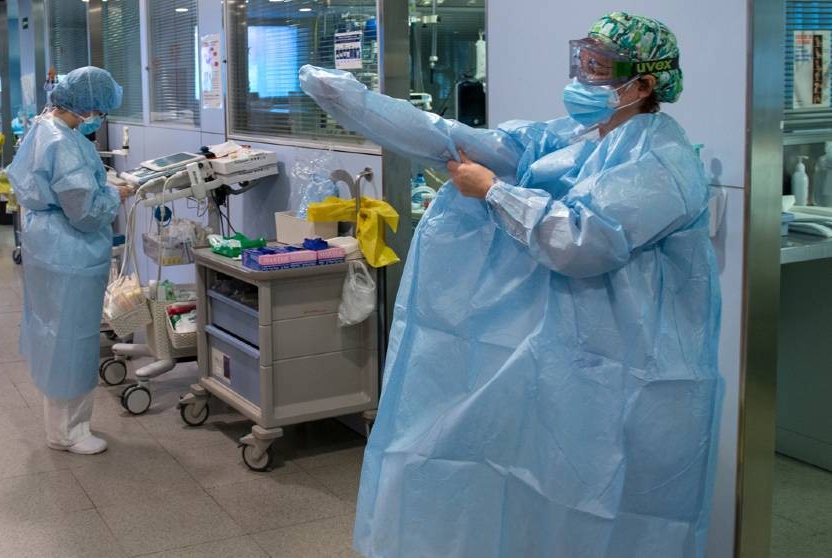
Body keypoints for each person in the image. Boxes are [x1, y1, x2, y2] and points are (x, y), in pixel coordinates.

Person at [300, 12, 722, 558]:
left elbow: (582, 241)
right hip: (568, 356)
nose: (584, 75)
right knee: (537, 486)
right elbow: (460, 143)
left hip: (629, 365)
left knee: (607, 501)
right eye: (583, 60)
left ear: (643, 85)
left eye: (599, 67)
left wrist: (494, 192)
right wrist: (359, 105)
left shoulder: (662, 161)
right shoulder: (574, 137)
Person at [7, 66, 132, 455]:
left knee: (54, 332)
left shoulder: (47, 127)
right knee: (72, 339)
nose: (99, 117)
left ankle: (62, 425)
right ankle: (69, 432)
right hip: (69, 249)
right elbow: (85, 211)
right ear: (87, 105)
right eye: (100, 109)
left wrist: (101, 188)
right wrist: (116, 195)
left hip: (48, 244)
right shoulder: (63, 141)